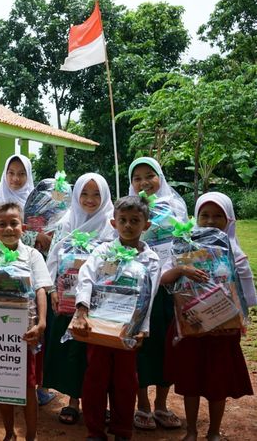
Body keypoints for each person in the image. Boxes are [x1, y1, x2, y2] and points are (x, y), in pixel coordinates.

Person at [163, 192, 254, 441]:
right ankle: (191, 430)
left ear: (229, 220)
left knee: (218, 384)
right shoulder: (183, 247)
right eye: (205, 215)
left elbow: (248, 297)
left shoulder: (236, 255)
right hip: (191, 326)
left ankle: (213, 432)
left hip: (223, 331)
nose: (211, 221)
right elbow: (164, 280)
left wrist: (237, 321)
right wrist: (182, 268)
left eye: (218, 216)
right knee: (190, 382)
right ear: (196, 217)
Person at [71, 195, 161, 441]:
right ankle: (95, 431)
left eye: (135, 220)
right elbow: (86, 277)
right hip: (98, 327)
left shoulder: (150, 259)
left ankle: (122, 430)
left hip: (127, 330)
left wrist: (143, 327)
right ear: (113, 223)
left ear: (147, 225)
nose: (128, 225)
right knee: (95, 379)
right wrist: (81, 310)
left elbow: (149, 296)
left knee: (126, 381)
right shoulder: (103, 251)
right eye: (123, 220)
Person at [0, 202, 50, 441]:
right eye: (2, 224)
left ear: (23, 227)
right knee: (1, 388)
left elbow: (40, 290)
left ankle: (31, 436)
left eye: (13, 223)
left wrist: (42, 322)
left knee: (28, 389)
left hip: (24, 333)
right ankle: (8, 434)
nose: (8, 228)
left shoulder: (32, 255)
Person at [43, 173, 116, 425]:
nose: (90, 199)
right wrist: (53, 290)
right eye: (84, 193)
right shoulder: (67, 222)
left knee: (99, 354)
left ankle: (98, 403)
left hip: (100, 300)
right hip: (68, 299)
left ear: (105, 195)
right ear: (76, 195)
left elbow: (116, 261)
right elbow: (53, 257)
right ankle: (73, 402)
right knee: (73, 352)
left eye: (96, 194)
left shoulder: (111, 223)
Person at [128, 157, 187, 430]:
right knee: (139, 346)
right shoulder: (128, 210)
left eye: (149, 176)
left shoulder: (175, 207)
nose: (143, 182)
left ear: (160, 177)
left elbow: (185, 245)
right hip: (138, 289)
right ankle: (142, 404)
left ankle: (162, 404)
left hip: (168, 289)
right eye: (137, 178)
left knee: (165, 345)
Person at [0, 155, 51, 252]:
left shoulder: (36, 201)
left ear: (28, 175)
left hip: (33, 254)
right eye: (11, 173)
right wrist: (34, 236)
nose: (15, 178)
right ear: (5, 174)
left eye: (21, 174)